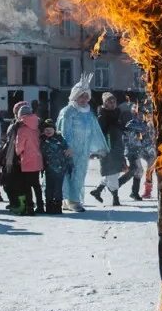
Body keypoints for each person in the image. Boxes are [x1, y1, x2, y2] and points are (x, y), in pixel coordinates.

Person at [57, 74, 108, 212]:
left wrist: (100, 147)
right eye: (81, 96)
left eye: (86, 96)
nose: (84, 99)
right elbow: (63, 130)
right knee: (69, 174)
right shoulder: (68, 111)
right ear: (75, 96)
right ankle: (71, 201)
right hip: (70, 150)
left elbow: (95, 131)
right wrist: (67, 146)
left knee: (79, 174)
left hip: (83, 151)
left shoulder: (88, 113)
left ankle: (71, 200)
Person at [90, 92, 125, 206]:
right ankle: (116, 198)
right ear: (104, 103)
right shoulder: (102, 115)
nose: (112, 103)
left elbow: (120, 128)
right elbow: (100, 132)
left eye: (113, 101)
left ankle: (98, 190)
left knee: (114, 172)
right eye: (109, 101)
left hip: (118, 145)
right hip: (107, 147)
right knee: (112, 171)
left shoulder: (117, 113)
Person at [13, 102, 45, 215]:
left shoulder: (22, 129)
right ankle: (41, 206)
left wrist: (17, 153)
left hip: (26, 160)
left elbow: (19, 146)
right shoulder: (37, 126)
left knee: (27, 186)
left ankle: (30, 208)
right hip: (37, 159)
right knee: (36, 185)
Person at [40, 118, 72, 214]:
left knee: (58, 188)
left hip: (60, 168)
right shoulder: (42, 140)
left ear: (54, 129)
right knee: (48, 187)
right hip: (48, 168)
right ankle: (49, 205)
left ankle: (57, 206)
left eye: (50, 129)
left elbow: (68, 151)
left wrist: (69, 164)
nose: (48, 131)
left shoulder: (60, 139)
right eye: (46, 130)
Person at [121, 103, 151, 201]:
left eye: (143, 114)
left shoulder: (144, 124)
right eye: (140, 114)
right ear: (135, 114)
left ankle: (134, 193)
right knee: (134, 170)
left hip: (138, 150)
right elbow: (126, 138)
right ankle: (117, 185)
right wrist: (139, 135)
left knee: (139, 171)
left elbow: (145, 139)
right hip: (131, 150)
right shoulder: (131, 124)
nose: (142, 116)